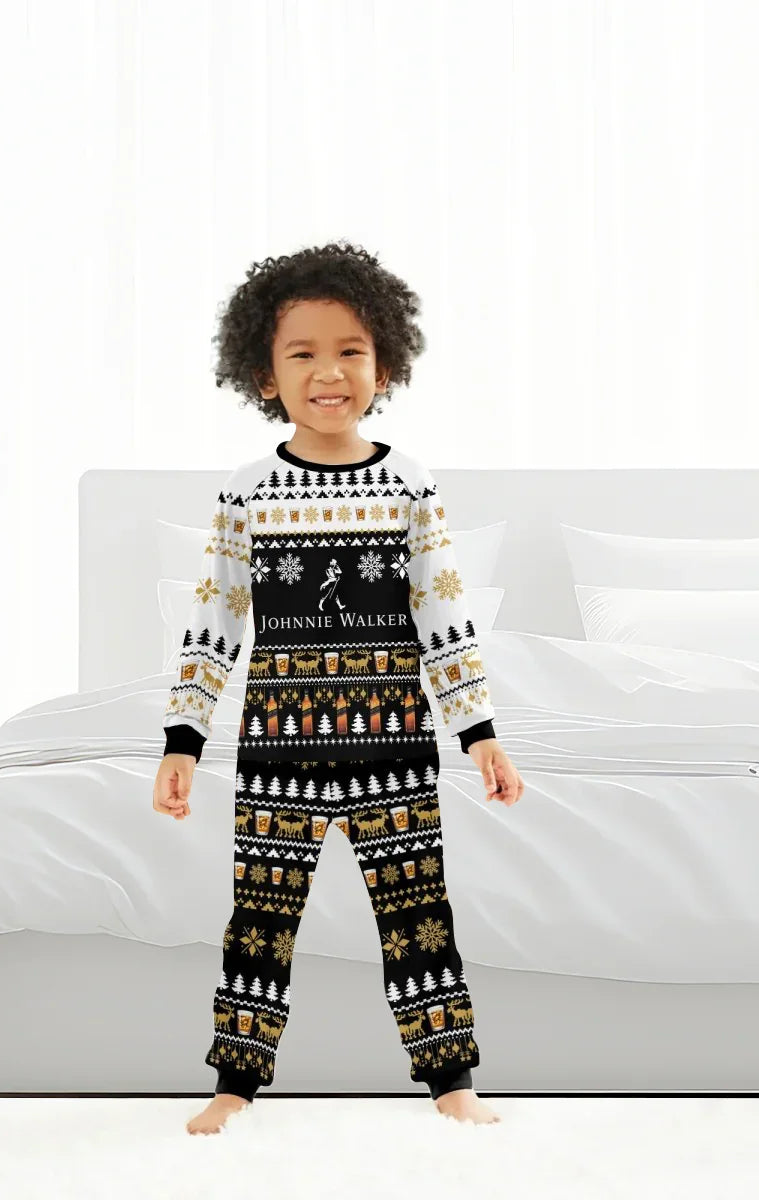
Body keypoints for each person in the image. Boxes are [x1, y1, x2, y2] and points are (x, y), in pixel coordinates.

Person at [153, 241, 524, 1136]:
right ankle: (235, 1083)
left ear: (386, 363)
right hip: (278, 747)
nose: (329, 372)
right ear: (263, 374)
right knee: (261, 918)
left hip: (393, 741)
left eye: (351, 350)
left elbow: (442, 614)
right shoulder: (249, 493)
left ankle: (452, 1082)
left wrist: (479, 733)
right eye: (303, 354)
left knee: (417, 913)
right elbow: (216, 621)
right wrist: (182, 739)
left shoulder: (409, 486)